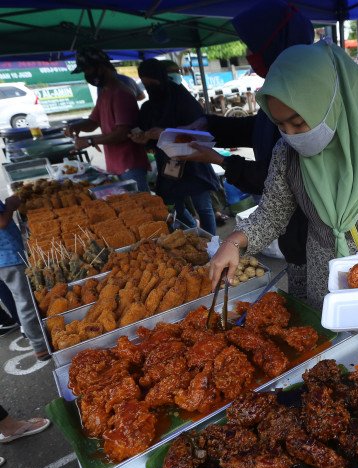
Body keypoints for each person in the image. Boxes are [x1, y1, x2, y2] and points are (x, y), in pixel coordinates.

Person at [209, 41, 358, 309]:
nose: (291, 135)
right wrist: (234, 242)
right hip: (325, 279)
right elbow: (271, 215)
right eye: (281, 125)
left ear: (329, 101)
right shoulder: (286, 154)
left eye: (298, 122)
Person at [176, 0, 315, 298]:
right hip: (296, 242)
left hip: (319, 243)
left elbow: (267, 178)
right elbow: (259, 130)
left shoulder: (311, 96)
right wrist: (208, 124)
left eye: (253, 46)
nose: (288, 134)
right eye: (283, 125)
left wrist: (218, 160)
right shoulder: (276, 100)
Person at [130, 59, 219, 235]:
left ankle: (212, 241)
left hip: (193, 159)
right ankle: (194, 232)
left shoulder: (183, 99)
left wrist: (166, 132)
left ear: (161, 78)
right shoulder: (149, 107)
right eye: (146, 84)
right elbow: (145, 131)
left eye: (153, 83)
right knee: (172, 205)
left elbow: (199, 129)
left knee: (203, 206)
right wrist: (143, 138)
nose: (150, 88)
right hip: (168, 164)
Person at [64, 47, 150, 192]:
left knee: (144, 208)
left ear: (101, 67)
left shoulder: (121, 93)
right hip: (115, 164)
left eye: (87, 70)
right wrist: (75, 126)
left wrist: (90, 141)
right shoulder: (105, 93)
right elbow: (93, 123)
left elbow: (122, 133)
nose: (86, 75)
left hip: (130, 164)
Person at [0, 196, 48, 361]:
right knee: (25, 302)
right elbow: (1, 222)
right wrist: (10, 206)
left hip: (6, 257)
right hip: (7, 258)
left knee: (22, 299)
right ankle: (40, 347)